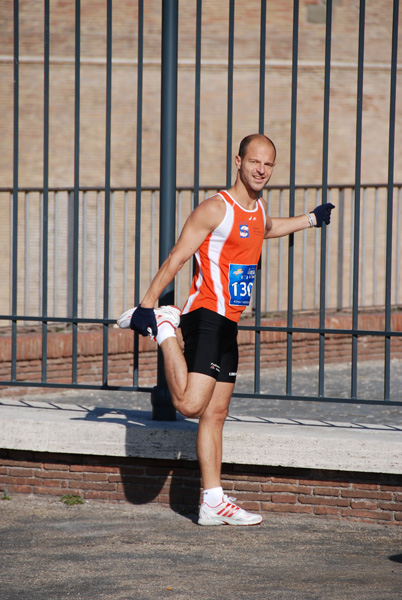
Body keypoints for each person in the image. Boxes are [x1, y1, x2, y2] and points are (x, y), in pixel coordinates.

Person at [118, 133, 334, 526]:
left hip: (230, 323)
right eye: (255, 161)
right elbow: (176, 257)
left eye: (268, 164)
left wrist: (309, 220)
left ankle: (212, 501)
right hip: (204, 316)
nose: (261, 169)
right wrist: (148, 307)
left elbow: (265, 228)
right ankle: (166, 327)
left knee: (216, 413)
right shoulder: (215, 208)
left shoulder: (256, 209)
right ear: (238, 161)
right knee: (189, 404)